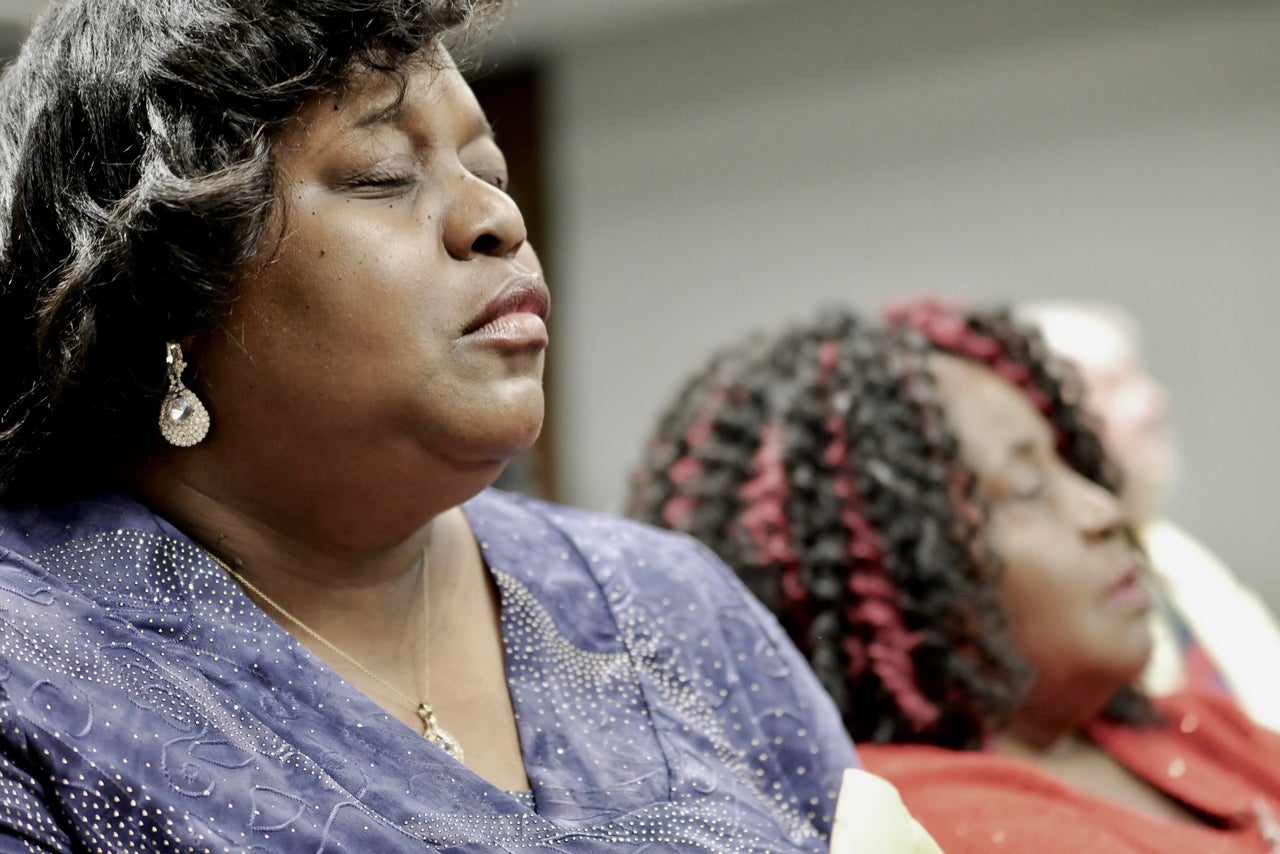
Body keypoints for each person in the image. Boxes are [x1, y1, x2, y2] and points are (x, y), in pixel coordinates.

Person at [0, 2, 885, 850]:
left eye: (490, 173)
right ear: (167, 285)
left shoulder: (668, 601)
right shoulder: (31, 675)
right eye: (386, 177)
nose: (498, 218)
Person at [628, 298, 1280, 852]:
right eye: (1028, 487)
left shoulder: (1191, 726)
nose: (1103, 509)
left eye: (1070, 463)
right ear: (900, 575)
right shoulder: (913, 818)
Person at [1020, 300, 1280, 730]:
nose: (1152, 403)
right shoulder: (1057, 587)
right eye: (1110, 386)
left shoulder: (1175, 551)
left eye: (1138, 376)